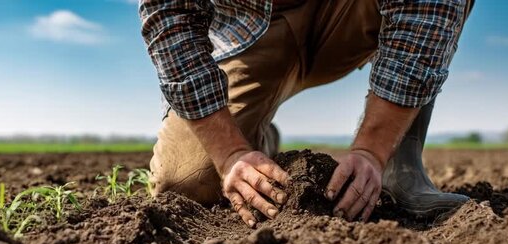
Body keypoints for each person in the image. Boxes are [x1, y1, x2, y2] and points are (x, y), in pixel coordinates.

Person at [139, 0, 474, 227]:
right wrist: (230, 152)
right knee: (185, 184)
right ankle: (255, 137)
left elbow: (427, 12)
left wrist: (372, 150)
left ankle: (400, 162)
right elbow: (170, 16)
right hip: (250, 29)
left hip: (351, 14)